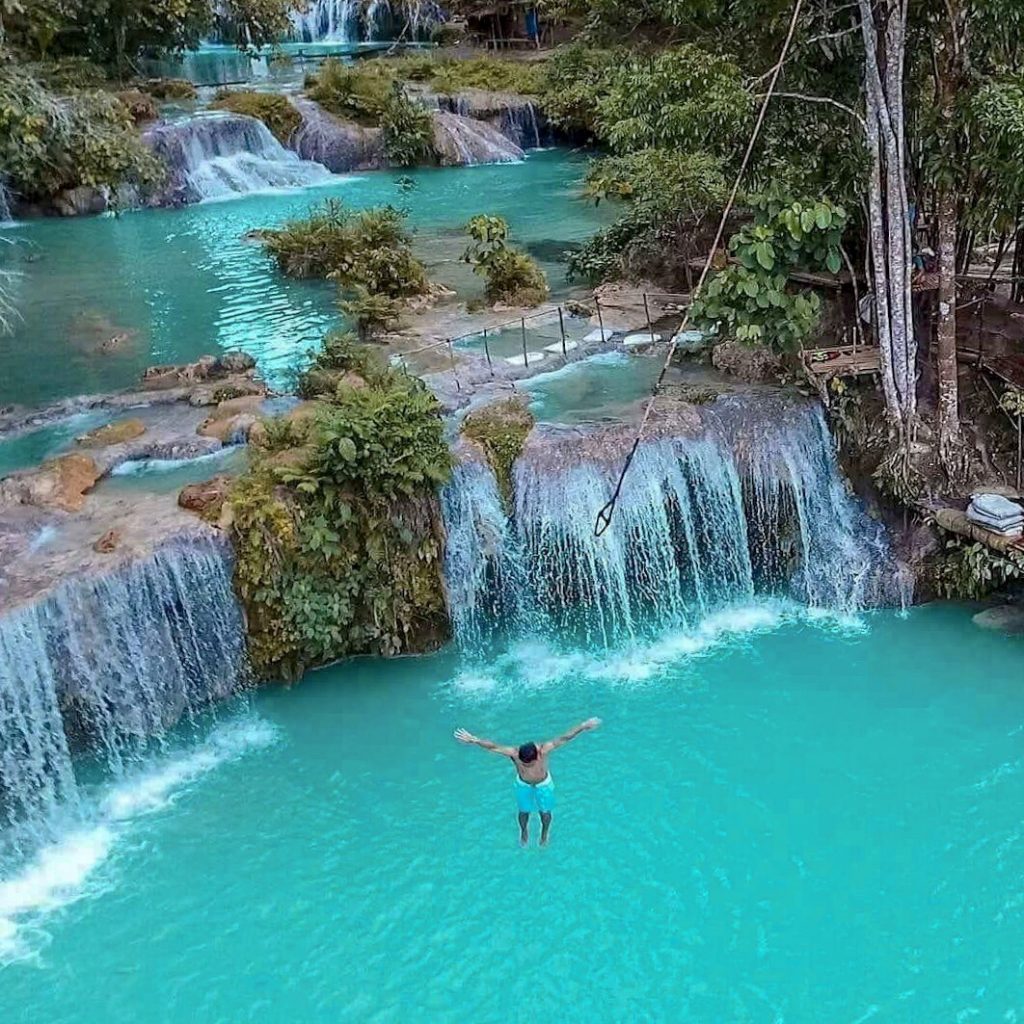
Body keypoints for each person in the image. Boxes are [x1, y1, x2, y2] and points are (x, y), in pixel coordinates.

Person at [453, 718, 601, 846]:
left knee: (545, 813)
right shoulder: (514, 754)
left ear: (537, 757)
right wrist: (475, 740)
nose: (526, 766)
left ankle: (544, 833)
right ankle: (524, 831)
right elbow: (493, 746)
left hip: (543, 784)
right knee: (524, 812)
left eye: (529, 764)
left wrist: (582, 726)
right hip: (523, 784)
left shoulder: (544, 749)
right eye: (524, 764)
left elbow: (565, 738)